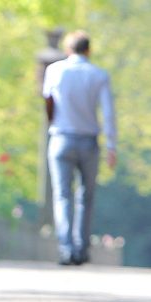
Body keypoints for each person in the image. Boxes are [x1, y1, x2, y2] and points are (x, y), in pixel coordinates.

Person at [42, 29, 117, 266]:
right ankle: (81, 249)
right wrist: (112, 146)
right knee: (86, 197)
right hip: (88, 141)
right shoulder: (99, 75)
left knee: (62, 195)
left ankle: (66, 248)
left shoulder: (54, 70)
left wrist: (52, 124)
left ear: (67, 50)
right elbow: (107, 112)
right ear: (89, 50)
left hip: (61, 138)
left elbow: (48, 101)